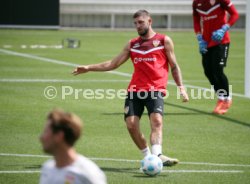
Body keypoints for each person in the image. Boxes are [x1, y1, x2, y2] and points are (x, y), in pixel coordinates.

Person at [72, 10, 189, 166]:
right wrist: (88, 67)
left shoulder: (163, 40)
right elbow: (112, 64)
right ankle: (148, 157)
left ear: (150, 21)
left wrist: (181, 87)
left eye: (140, 22)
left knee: (157, 121)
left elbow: (174, 67)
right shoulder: (132, 44)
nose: (137, 26)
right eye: (135, 23)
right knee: (131, 125)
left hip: (155, 89)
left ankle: (157, 154)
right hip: (135, 90)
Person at [192, 0, 239, 114]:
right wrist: (199, 37)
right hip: (206, 42)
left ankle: (227, 99)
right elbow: (196, 20)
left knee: (218, 70)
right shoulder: (196, 3)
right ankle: (221, 97)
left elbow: (235, 14)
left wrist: (224, 29)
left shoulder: (222, 0)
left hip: (221, 41)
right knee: (208, 71)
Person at [39, 109, 107, 184]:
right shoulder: (47, 168)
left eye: (46, 132)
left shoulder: (88, 173)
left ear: (59, 136)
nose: (41, 137)